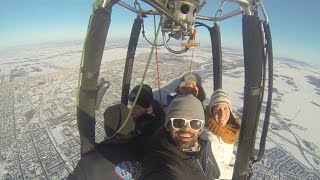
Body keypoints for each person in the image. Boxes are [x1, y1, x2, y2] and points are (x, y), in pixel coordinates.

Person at [69, 84, 163, 180]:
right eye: (132, 106)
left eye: (137, 107)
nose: (133, 111)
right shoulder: (146, 141)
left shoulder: (95, 160)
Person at [142, 94, 220, 180]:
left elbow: (214, 174)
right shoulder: (163, 163)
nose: (186, 129)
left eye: (194, 123)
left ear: (200, 128)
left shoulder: (202, 146)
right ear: (168, 126)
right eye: (178, 122)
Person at [201, 89, 241, 179]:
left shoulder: (226, 131)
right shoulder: (210, 138)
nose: (222, 114)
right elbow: (219, 172)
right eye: (217, 109)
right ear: (211, 111)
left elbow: (227, 153)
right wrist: (240, 170)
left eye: (225, 108)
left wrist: (235, 162)